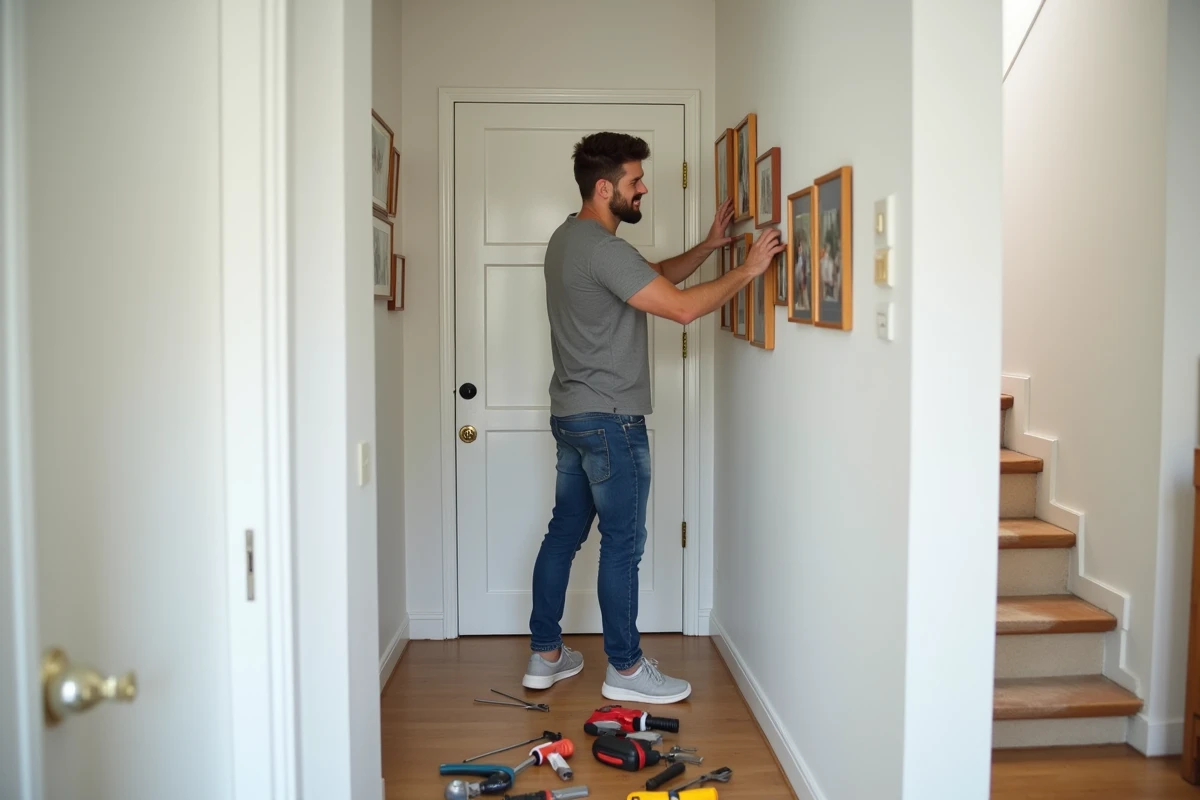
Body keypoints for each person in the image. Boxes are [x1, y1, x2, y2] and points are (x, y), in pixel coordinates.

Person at [523, 131, 783, 704]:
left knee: (564, 533)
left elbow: (656, 273)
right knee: (622, 545)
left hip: (572, 416)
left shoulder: (567, 238)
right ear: (604, 188)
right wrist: (748, 270)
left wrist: (710, 246)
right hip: (611, 422)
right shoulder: (603, 249)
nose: (643, 189)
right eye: (635, 181)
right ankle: (626, 668)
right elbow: (682, 308)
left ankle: (545, 656)